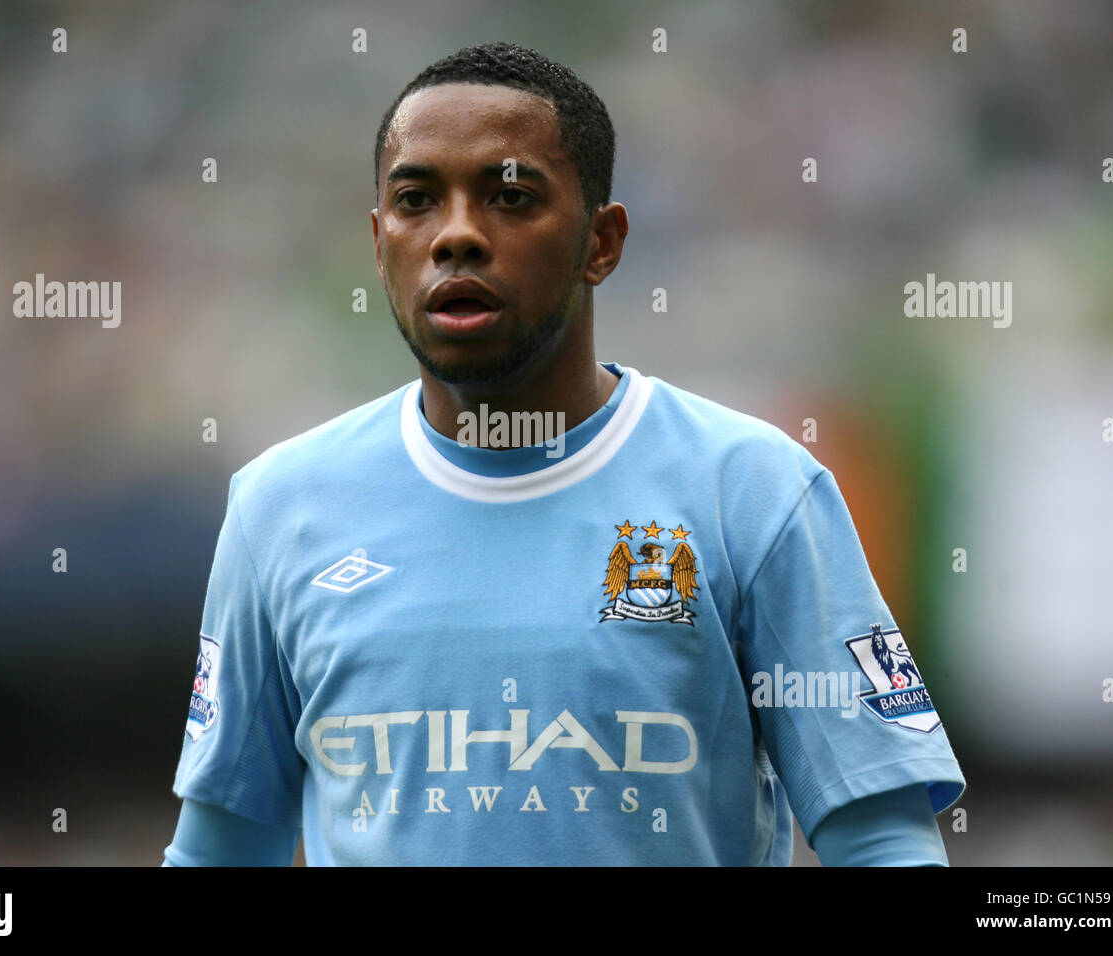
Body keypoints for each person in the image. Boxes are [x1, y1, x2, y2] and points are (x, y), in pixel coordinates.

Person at [163, 41, 964, 866]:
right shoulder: (281, 508)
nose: (457, 236)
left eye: (510, 197)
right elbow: (220, 849)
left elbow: (883, 844)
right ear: (379, 242)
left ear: (602, 243)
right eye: (416, 200)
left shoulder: (755, 492)